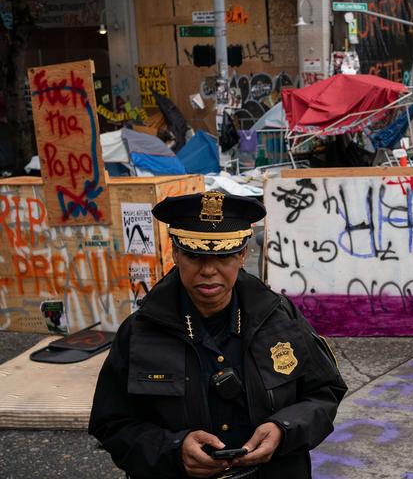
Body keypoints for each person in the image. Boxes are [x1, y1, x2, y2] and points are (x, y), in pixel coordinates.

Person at [89, 190, 347, 478]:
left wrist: (283, 430)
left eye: (223, 256)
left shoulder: (280, 318)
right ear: (175, 253)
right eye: (194, 255)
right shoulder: (140, 330)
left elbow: (325, 393)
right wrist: (174, 449)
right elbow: (110, 423)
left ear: (242, 254)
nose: (209, 270)